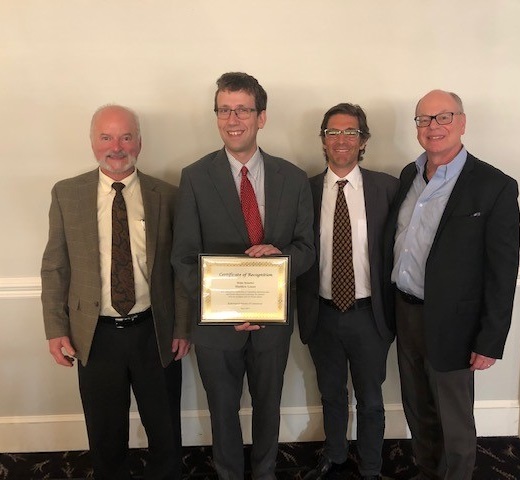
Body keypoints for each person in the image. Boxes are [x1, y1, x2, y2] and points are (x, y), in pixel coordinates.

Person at [171, 72, 314, 480]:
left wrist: (280, 256)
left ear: (261, 117)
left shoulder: (293, 177)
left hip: (272, 323)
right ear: (217, 115)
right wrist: (225, 306)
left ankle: (266, 472)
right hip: (218, 327)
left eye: (243, 110)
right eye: (224, 110)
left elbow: (307, 249)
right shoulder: (195, 177)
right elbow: (183, 257)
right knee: (223, 409)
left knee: (269, 407)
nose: (233, 119)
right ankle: (230, 474)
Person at [41, 104, 191, 480]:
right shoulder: (67, 194)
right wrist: (55, 329)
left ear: (139, 141)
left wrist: (184, 326)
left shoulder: (168, 195)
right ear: (93, 142)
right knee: (105, 436)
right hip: (94, 336)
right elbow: (55, 266)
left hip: (155, 333)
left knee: (165, 432)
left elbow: (182, 267)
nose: (117, 146)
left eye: (125, 137)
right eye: (106, 137)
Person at [384, 90, 520, 480]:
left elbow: (502, 271)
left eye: (443, 117)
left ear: (462, 122)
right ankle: (429, 472)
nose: (433, 127)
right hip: (406, 313)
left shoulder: (495, 186)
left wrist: (490, 339)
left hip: (456, 325)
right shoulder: (409, 175)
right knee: (418, 406)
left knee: (454, 419)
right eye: (424, 120)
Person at [296, 103, 398, 480]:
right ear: (323, 141)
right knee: (331, 393)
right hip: (321, 313)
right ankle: (335, 454)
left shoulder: (386, 187)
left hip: (369, 315)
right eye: (333, 132)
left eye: (350, 132)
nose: (341, 139)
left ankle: (371, 466)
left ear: (363, 140)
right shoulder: (303, 190)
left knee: (371, 399)